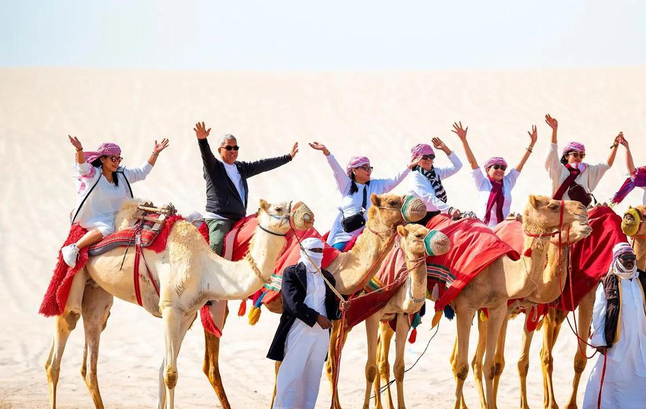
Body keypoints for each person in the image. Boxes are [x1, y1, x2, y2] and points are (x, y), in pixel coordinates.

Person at [582, 242, 646, 409]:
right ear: (617, 260)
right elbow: (598, 314)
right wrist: (600, 341)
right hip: (618, 343)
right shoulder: (607, 282)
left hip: (642, 341)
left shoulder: (643, 280)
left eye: (632, 259)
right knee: (621, 381)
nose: (630, 262)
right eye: (626, 259)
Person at [266, 237, 342, 409]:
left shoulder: (327, 277)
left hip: (321, 333)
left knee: (312, 376)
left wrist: (340, 310)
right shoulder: (291, 273)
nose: (318, 253)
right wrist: (316, 317)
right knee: (290, 372)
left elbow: (332, 306)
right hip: (299, 328)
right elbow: (292, 303)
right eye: (314, 249)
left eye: (320, 249)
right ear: (304, 251)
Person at [60, 135, 169, 268]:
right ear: (102, 159)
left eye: (119, 158)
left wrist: (155, 153)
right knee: (107, 229)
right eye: (113, 158)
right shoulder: (93, 174)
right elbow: (82, 168)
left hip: (119, 215)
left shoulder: (121, 173)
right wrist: (79, 150)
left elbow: (141, 173)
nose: (116, 162)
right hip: (97, 217)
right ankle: (74, 248)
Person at [194, 121, 299, 256]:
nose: (233, 151)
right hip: (219, 219)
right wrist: (202, 140)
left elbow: (263, 165)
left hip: (240, 219)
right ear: (220, 150)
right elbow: (206, 155)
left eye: (235, 148)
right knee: (217, 246)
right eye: (229, 148)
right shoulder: (213, 168)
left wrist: (288, 157)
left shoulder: (240, 168)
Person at [308, 141, 409, 251]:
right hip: (344, 236)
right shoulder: (346, 185)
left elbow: (395, 180)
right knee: (336, 257)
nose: (368, 171)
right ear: (354, 170)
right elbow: (336, 169)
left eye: (369, 168)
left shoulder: (375, 185)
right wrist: (326, 152)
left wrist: (409, 167)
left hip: (366, 234)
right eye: (364, 168)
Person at [452, 121, 537, 226]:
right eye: (496, 167)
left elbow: (521, 164)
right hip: (484, 227)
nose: (500, 170)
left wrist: (532, 144)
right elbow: (472, 162)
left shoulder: (508, 182)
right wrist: (464, 140)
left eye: (503, 168)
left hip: (503, 228)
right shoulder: (482, 182)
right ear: (488, 169)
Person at [544, 114, 621, 207]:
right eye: (575, 154)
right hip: (560, 211)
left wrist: (615, 145)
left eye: (581, 155)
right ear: (566, 156)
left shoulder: (586, 170)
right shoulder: (559, 170)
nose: (578, 157)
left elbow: (606, 165)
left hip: (579, 214)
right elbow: (553, 152)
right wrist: (554, 130)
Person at [404, 135, 464, 225]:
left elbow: (458, 165)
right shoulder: (416, 176)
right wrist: (449, 209)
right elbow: (429, 197)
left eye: (431, 156)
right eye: (424, 157)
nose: (429, 159)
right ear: (416, 160)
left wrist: (444, 148)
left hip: (435, 215)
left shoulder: (435, 173)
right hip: (417, 220)